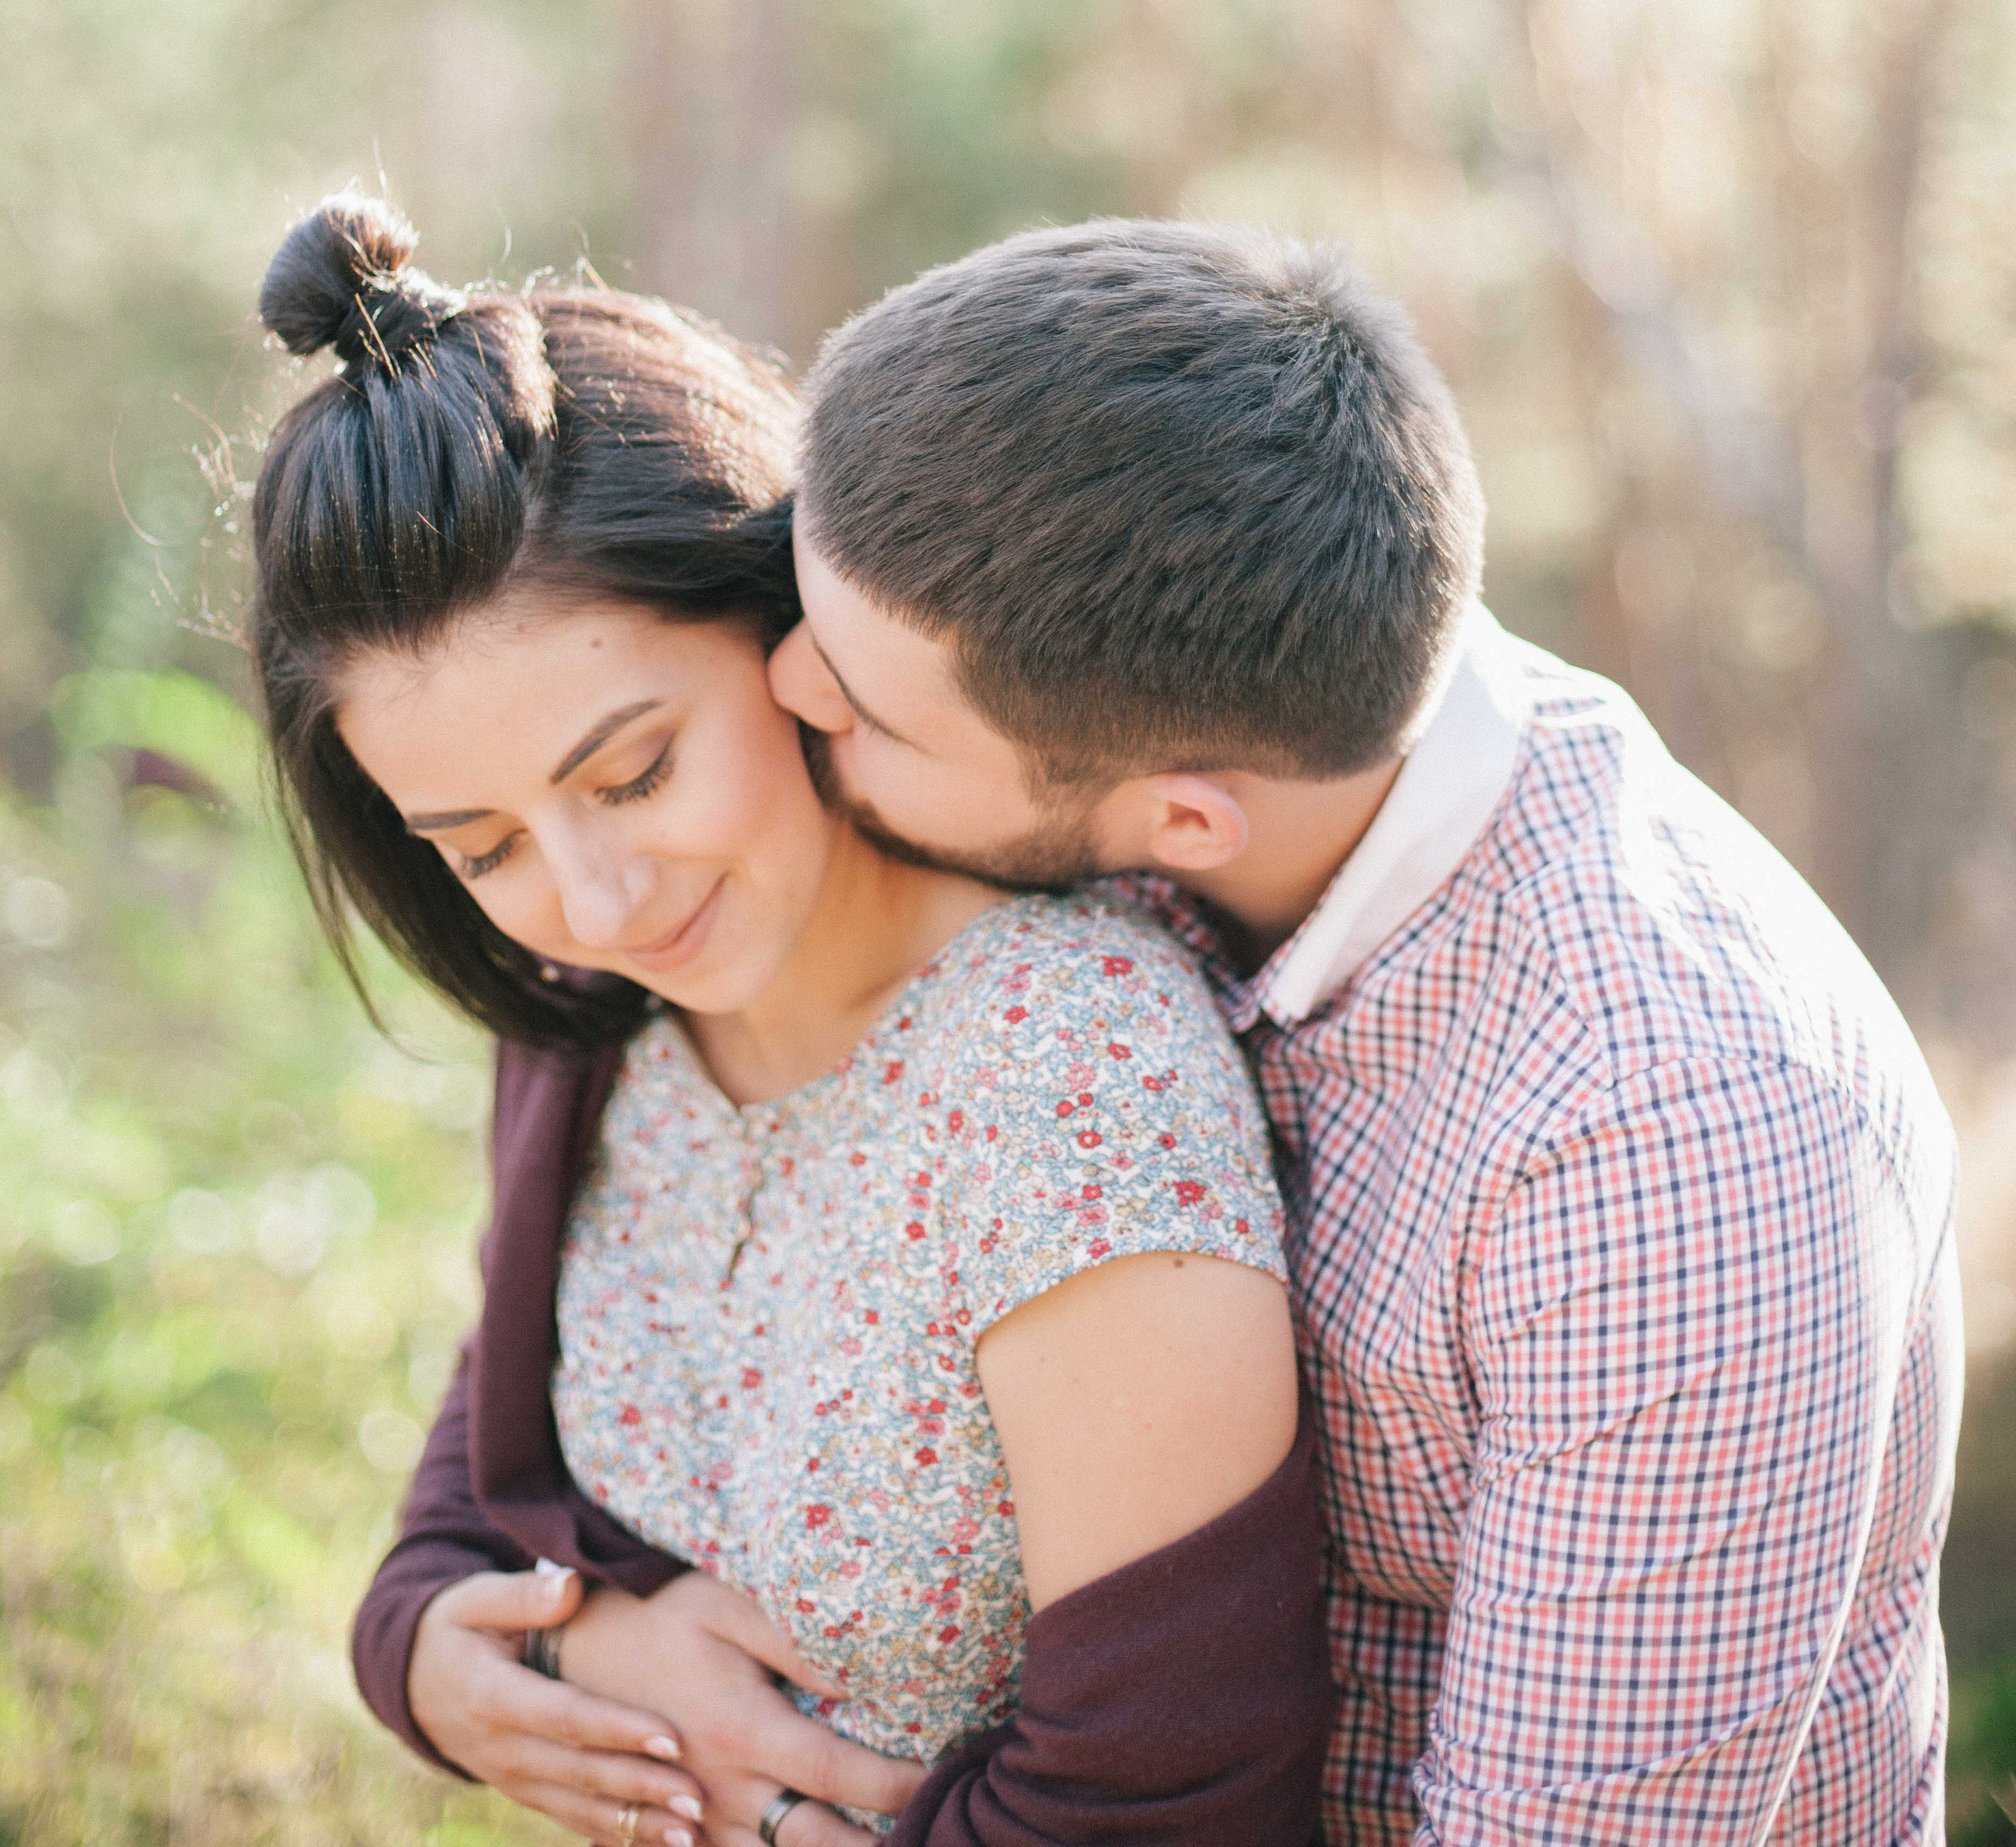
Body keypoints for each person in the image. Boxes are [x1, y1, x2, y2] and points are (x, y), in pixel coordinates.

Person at [748, 220, 1962, 1844]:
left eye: (867, 706)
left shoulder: (1673, 1135)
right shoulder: (1209, 718)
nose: (784, 689)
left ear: (1183, 818)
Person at [247, 196, 1333, 1847]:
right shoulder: (599, 1030)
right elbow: (460, 1510)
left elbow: (1168, 1798)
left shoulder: (1063, 1067)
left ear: (786, 630)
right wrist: (452, 1667)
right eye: (481, 848)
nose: (595, 902)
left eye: (633, 773)